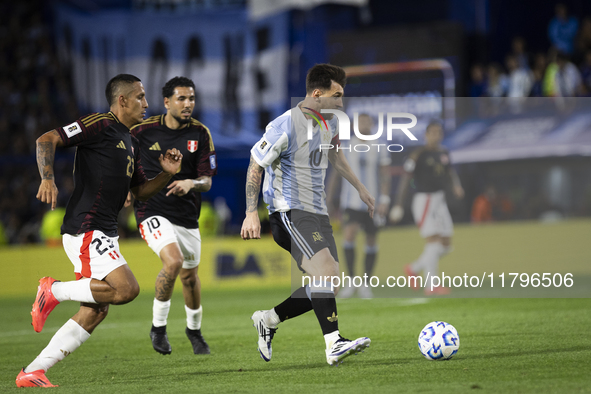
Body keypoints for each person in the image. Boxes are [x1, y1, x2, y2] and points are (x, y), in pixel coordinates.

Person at [16, 74, 182, 388]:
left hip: (104, 231)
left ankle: (33, 371)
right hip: (86, 227)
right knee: (126, 289)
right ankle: (53, 291)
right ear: (122, 100)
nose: (146, 104)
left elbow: (141, 192)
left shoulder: (131, 140)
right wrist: (47, 178)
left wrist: (166, 174)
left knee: (96, 311)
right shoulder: (101, 124)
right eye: (140, 97)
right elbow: (46, 139)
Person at [240, 64, 374, 366]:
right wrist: (251, 213)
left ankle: (269, 319)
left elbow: (335, 156)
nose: (341, 102)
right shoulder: (284, 125)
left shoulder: (331, 123)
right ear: (317, 93)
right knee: (325, 272)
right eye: (336, 95)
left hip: (318, 213)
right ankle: (334, 344)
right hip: (289, 212)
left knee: (328, 283)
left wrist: (361, 188)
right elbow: (255, 164)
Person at [130, 76, 216, 355]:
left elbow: (207, 181)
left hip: (187, 214)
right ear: (167, 102)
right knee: (174, 262)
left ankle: (194, 331)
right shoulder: (142, 131)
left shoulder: (201, 133)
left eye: (191, 98)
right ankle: (158, 328)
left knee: (190, 278)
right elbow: (122, 158)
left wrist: (192, 183)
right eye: (181, 98)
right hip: (151, 210)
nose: (188, 103)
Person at [389, 121, 464, 295]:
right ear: (426, 135)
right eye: (432, 133)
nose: (436, 136)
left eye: (439, 132)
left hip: (440, 201)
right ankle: (431, 285)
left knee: (445, 246)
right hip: (424, 200)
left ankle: (413, 268)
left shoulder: (444, 153)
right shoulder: (418, 155)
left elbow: (450, 172)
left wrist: (456, 186)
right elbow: (405, 178)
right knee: (434, 242)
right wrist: (398, 205)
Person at [327, 113, 392, 299]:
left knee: (371, 240)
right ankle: (352, 280)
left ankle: (365, 283)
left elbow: (385, 174)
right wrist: (329, 197)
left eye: (367, 120)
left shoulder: (379, 146)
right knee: (349, 235)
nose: (364, 124)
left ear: (372, 124)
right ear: (355, 125)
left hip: (373, 202)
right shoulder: (346, 146)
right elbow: (336, 173)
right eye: (360, 121)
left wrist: (385, 200)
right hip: (352, 202)